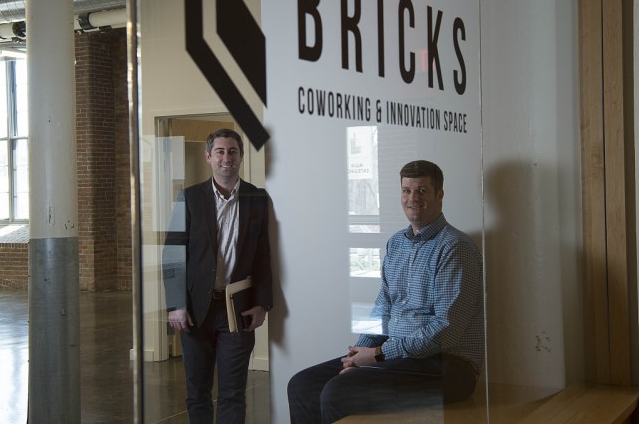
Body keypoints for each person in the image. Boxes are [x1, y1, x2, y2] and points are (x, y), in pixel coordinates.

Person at [287, 160, 484, 423]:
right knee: (302, 385)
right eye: (406, 190)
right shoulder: (396, 244)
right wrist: (358, 354)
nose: (413, 198)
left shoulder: (455, 248)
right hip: (401, 359)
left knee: (337, 392)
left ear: (440, 195)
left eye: (422, 191)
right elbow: (383, 308)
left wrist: (378, 356)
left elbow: (446, 331)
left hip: (449, 367)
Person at [163, 128, 273, 424]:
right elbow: (172, 254)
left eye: (233, 152)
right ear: (209, 157)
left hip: (237, 310)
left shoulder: (257, 198)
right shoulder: (189, 198)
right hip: (195, 310)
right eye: (221, 152)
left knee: (233, 392)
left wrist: (263, 304)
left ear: (241, 156)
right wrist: (176, 304)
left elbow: (263, 255)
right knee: (197, 391)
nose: (227, 158)